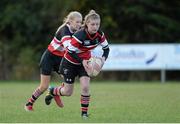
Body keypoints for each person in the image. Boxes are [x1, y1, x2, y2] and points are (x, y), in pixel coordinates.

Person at [45, 10, 110, 118]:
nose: (95, 27)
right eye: (92, 24)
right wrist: (82, 61)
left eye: (97, 24)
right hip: (69, 62)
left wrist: (103, 59)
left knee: (85, 87)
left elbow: (106, 49)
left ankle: (84, 114)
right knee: (67, 92)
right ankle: (53, 91)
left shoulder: (100, 35)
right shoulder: (80, 35)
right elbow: (70, 51)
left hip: (84, 63)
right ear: (87, 24)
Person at [24, 11, 82, 111]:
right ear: (70, 22)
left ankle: (54, 93)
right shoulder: (64, 30)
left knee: (68, 80)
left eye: (80, 22)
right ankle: (29, 104)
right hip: (49, 57)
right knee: (43, 86)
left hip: (61, 59)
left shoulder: (78, 30)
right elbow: (69, 47)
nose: (79, 24)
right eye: (77, 22)